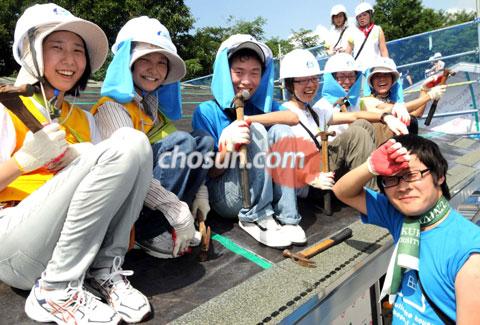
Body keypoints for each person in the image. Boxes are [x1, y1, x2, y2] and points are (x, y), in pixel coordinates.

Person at [1, 3, 152, 324]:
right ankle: (54, 290)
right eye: (56, 47)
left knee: (134, 142)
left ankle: (102, 271)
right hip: (14, 246)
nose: (70, 60)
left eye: (77, 50)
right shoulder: (5, 109)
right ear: (29, 52)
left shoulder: (83, 118)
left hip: (74, 249)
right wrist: (23, 161)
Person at [92, 16, 214, 259]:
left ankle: (160, 225)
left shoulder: (151, 109)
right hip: (120, 209)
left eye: (161, 62)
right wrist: (178, 211)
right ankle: (146, 233)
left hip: (147, 199)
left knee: (203, 141)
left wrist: (200, 190)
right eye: (144, 60)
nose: (154, 69)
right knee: (181, 142)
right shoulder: (112, 108)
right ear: (127, 63)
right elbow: (127, 171)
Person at [332, 134, 480, 324]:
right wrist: (370, 167)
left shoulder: (469, 253)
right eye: (391, 179)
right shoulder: (401, 218)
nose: (402, 187)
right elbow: (342, 192)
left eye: (410, 175)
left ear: (440, 176)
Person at [192, 34, 305, 248]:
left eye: (255, 72)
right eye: (239, 72)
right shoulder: (206, 111)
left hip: (265, 194)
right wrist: (229, 148)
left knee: (280, 130)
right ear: (225, 74)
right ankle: (255, 216)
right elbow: (210, 172)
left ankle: (288, 216)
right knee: (258, 130)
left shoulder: (257, 106)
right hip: (228, 196)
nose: (247, 80)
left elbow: (293, 117)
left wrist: (245, 119)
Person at [279, 49, 407, 195]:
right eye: (303, 80)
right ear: (289, 84)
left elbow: (354, 116)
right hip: (312, 178)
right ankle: (373, 196)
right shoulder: (285, 115)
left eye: (313, 79)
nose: (310, 85)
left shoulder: (314, 112)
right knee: (357, 132)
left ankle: (380, 182)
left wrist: (386, 117)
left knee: (362, 124)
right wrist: (310, 177)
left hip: (329, 165)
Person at [360, 57, 446, 142]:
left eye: (386, 75)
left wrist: (424, 90)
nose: (382, 79)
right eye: (377, 76)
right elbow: (393, 109)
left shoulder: (393, 102)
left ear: (392, 79)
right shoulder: (367, 101)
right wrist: (429, 96)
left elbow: (416, 114)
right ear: (371, 81)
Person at [351, 2, 388, 73]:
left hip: (375, 70)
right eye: (359, 16)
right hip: (359, 71)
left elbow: (383, 50)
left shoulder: (378, 29)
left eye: (364, 15)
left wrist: (386, 66)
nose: (362, 18)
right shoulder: (353, 32)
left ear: (370, 15)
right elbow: (348, 52)